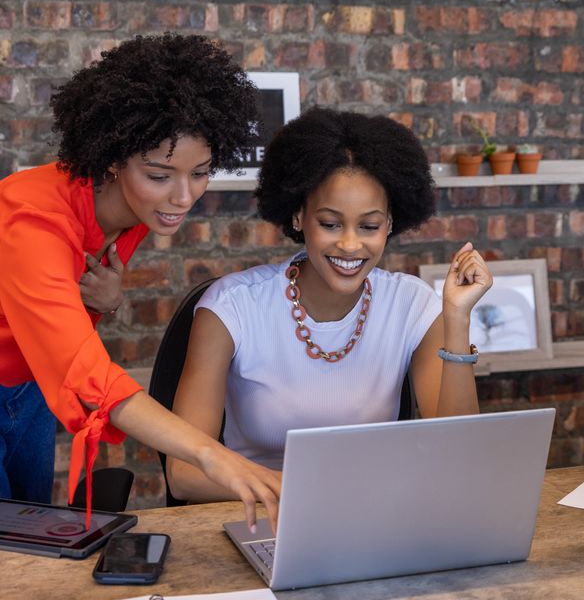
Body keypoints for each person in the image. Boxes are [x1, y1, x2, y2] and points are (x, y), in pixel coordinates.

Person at [0, 34, 281, 600]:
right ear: (113, 158)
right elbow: (89, 375)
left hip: (24, 376)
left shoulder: (134, 207)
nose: (183, 196)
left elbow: (60, 321)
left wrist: (104, 301)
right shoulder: (35, 223)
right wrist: (214, 455)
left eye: (201, 172)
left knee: (26, 564)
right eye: (160, 174)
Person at [166, 107, 493, 500]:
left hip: (376, 516)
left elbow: (458, 455)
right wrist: (310, 493)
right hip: (262, 515)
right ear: (298, 216)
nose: (350, 245)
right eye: (330, 224)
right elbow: (183, 474)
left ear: (390, 224)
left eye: (369, 226)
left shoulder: (411, 304)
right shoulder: (232, 307)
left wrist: (457, 318)